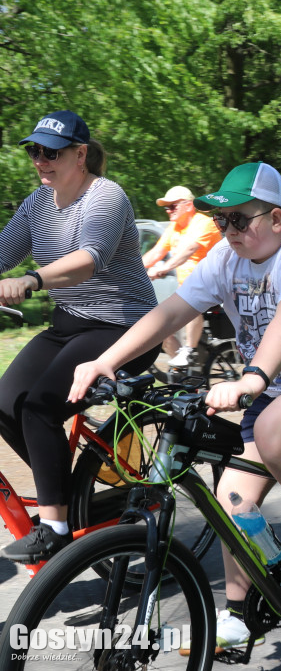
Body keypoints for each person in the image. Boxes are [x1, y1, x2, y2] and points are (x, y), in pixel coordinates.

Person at [69, 161, 281, 651]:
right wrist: (104, 362)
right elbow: (170, 312)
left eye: (241, 219)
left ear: (276, 220)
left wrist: (252, 378)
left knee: (276, 431)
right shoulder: (225, 259)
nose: (229, 231)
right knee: (233, 500)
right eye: (222, 221)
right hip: (279, 386)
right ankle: (239, 613)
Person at [0, 110, 160, 563]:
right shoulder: (36, 204)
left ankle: (54, 527)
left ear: (80, 154)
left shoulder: (106, 198)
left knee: (39, 407)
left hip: (123, 328)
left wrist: (31, 280)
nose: (40, 160)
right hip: (70, 323)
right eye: (35, 151)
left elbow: (90, 259)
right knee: (6, 402)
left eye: (51, 152)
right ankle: (74, 496)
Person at [141, 186, 221, 367]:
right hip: (187, 287)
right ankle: (186, 370)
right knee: (158, 327)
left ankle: (190, 351)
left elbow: (188, 251)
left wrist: (162, 269)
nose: (169, 211)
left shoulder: (203, 223)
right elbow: (156, 253)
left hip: (215, 286)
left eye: (173, 206)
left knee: (191, 295)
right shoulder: (174, 228)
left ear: (189, 205)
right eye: (166, 207)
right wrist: (130, 271)